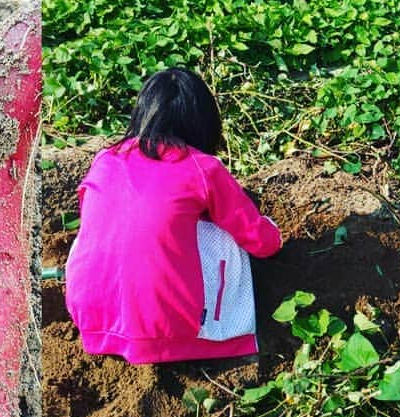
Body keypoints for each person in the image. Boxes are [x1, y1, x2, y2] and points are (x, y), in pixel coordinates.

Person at [64, 68, 282, 365]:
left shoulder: (104, 159)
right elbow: (259, 241)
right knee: (222, 235)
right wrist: (274, 230)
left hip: (91, 318)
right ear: (202, 121)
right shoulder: (202, 168)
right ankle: (224, 333)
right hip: (170, 328)